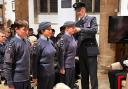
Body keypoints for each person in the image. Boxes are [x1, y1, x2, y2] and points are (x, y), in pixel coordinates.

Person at [73, 2, 99, 89]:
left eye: (79, 11)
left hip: (91, 50)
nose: (78, 13)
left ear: (83, 10)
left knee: (93, 74)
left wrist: (80, 29)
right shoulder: (77, 23)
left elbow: (94, 30)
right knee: (84, 75)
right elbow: (75, 37)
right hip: (81, 51)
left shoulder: (92, 19)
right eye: (76, 11)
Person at [3, 20, 31, 89]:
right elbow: (7, 64)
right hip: (17, 80)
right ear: (16, 29)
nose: (27, 32)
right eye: (24, 30)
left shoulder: (27, 42)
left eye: (27, 30)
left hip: (27, 78)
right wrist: (9, 83)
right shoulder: (12, 43)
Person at [32, 22, 56, 89]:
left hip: (51, 72)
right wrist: (34, 76)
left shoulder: (50, 41)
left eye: (51, 29)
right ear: (42, 30)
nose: (50, 31)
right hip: (43, 73)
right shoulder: (38, 44)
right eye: (48, 29)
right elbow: (34, 61)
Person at [57, 21, 77, 89]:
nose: (74, 29)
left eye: (74, 27)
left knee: (71, 85)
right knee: (66, 85)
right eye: (72, 27)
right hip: (66, 66)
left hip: (72, 65)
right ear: (67, 29)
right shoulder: (64, 38)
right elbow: (61, 54)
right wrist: (62, 67)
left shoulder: (72, 37)